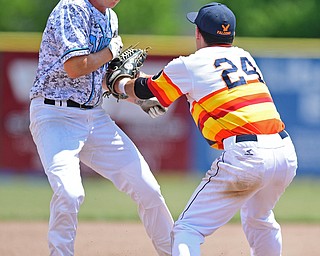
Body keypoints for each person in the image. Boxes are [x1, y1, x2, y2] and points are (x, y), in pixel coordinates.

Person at [111, 2, 298, 255]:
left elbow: (147, 91)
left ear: (198, 33)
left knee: (188, 229)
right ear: (230, 34)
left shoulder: (189, 64)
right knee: (260, 218)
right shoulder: (245, 56)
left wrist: (120, 84)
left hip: (248, 156)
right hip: (284, 152)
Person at [29, 0, 173, 255]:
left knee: (148, 188)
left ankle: (173, 252)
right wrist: (110, 51)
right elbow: (74, 67)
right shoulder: (71, 8)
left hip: (94, 117)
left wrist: (138, 98)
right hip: (55, 115)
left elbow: (105, 79)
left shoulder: (111, 17)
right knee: (70, 193)